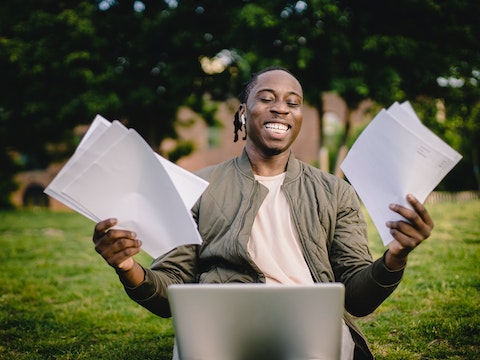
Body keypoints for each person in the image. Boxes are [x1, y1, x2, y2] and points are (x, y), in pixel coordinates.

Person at [92, 66, 434, 359]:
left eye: (292, 102)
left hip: (310, 332)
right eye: (266, 98)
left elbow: (358, 297)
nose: (281, 109)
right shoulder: (197, 188)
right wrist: (127, 267)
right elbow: (170, 292)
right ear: (243, 112)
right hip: (219, 327)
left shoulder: (335, 192)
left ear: (300, 117)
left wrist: (395, 258)